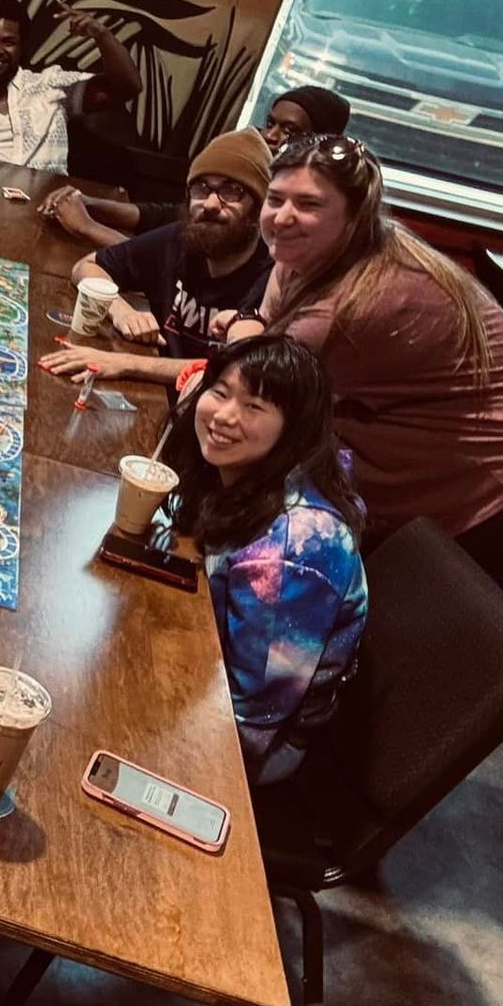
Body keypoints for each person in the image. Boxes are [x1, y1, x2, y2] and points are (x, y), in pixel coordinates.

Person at [227, 135, 503, 625]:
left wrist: (130, 361)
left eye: (309, 204)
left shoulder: (356, 306)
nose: (283, 216)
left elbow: (247, 385)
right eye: (276, 199)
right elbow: (254, 349)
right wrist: (245, 329)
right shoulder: (307, 257)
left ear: (354, 217)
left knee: (455, 644)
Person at [165, 335, 369, 783]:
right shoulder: (245, 475)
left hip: (255, 747)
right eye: (219, 392)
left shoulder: (294, 550)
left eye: (254, 407)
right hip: (208, 662)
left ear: (293, 429)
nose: (224, 415)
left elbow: (251, 719)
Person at [41, 128, 273, 385]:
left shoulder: (273, 278)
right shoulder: (179, 238)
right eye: (201, 188)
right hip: (158, 394)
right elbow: (86, 266)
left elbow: (235, 371)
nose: (209, 204)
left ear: (259, 209)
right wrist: (122, 312)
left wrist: (126, 364)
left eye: (232, 191)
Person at [41, 85, 351, 245]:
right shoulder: (262, 173)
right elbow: (169, 219)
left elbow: (167, 266)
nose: (271, 135)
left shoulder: (284, 216)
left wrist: (86, 226)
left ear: (321, 140)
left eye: (289, 131)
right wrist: (88, 203)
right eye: (270, 123)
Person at [0, 0, 141, 170]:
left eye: (8, 42)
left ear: (22, 47)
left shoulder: (52, 86)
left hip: (44, 210)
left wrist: (101, 35)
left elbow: (128, 87)